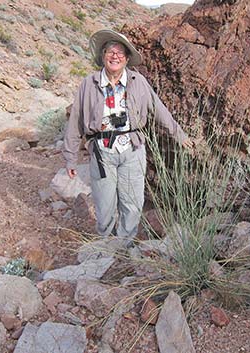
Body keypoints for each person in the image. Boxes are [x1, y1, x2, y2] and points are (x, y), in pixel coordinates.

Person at [63, 29, 192, 240]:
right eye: (110, 51)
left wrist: (180, 135)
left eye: (120, 52)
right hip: (102, 151)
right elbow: (76, 120)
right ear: (103, 56)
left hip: (132, 149)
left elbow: (158, 109)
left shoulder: (138, 81)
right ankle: (105, 241)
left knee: (132, 201)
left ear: (127, 58)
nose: (115, 56)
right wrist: (70, 158)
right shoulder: (89, 83)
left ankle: (125, 244)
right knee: (104, 204)